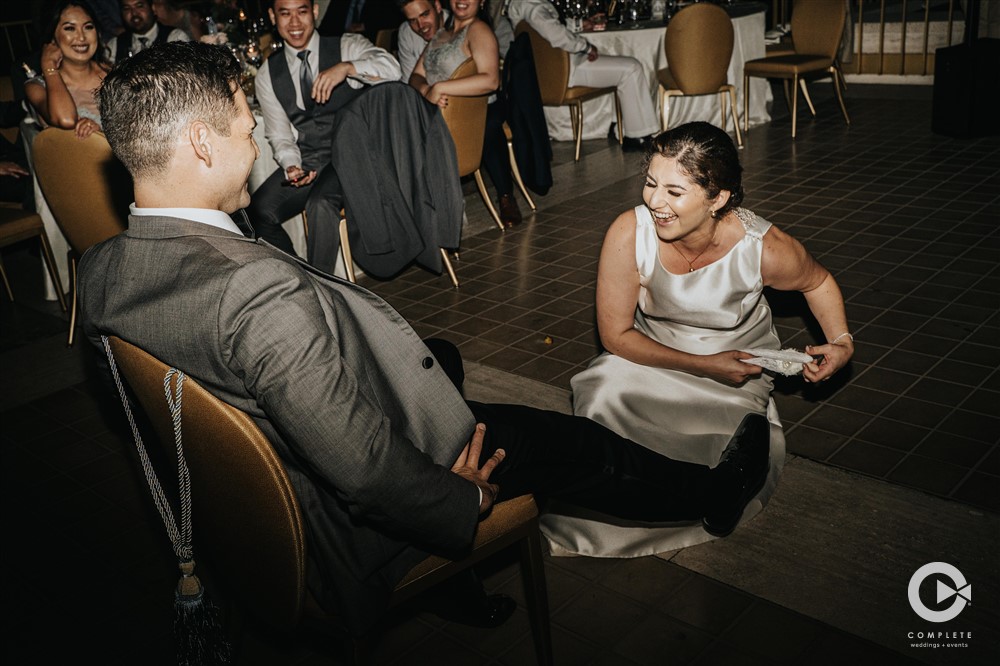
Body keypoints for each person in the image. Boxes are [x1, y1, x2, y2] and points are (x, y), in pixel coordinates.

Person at [82, 41, 769, 636]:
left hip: (242, 496)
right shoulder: (256, 298)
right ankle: (711, 496)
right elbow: (366, 473)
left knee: (439, 357)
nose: (255, 140)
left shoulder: (107, 269)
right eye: (244, 125)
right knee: (573, 444)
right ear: (201, 144)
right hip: (335, 530)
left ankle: (456, 585)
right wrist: (458, 501)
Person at [543, 121, 854, 557]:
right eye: (651, 183)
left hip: (737, 372)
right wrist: (704, 364)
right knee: (603, 391)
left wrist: (841, 342)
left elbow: (817, 282)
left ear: (718, 198)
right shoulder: (629, 233)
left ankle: (716, 482)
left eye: (674, 191)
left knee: (717, 449)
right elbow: (615, 337)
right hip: (649, 357)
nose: (654, 201)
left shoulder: (762, 246)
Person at [248, 0, 400, 274]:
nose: (295, 23)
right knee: (257, 212)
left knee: (320, 204)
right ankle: (303, 277)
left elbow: (393, 69)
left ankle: (326, 288)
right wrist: (292, 166)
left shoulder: (346, 46)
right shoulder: (268, 74)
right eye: (285, 13)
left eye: (302, 11)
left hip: (356, 155)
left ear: (315, 12)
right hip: (312, 158)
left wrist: (348, 68)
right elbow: (280, 134)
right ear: (273, 16)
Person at [404, 0, 522, 227]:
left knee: (486, 127)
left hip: (479, 108)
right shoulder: (441, 34)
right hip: (440, 113)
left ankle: (505, 196)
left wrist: (440, 87)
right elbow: (415, 76)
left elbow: (491, 80)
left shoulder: (478, 29)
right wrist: (426, 89)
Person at [506, 0, 659, 150]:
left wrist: (579, 24)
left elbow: (549, 23)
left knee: (620, 63)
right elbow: (553, 32)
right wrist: (585, 46)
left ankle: (619, 126)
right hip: (565, 70)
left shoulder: (521, 5)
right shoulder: (529, 4)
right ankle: (637, 136)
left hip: (553, 70)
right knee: (632, 68)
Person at [24, 0, 110, 140]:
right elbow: (66, 120)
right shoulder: (37, 87)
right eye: (70, 28)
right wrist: (49, 68)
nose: (81, 37)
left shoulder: (115, 75)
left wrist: (102, 134)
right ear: (53, 38)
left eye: (88, 27)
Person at [104, 0, 190, 64]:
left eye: (139, 6)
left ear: (152, 8)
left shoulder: (175, 38)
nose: (134, 13)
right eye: (127, 8)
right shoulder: (114, 45)